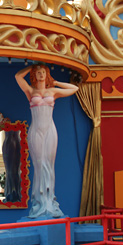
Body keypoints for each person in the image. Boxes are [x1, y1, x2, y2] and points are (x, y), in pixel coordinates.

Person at [15, 64, 79, 219]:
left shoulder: (53, 91)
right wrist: (31, 67)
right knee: (39, 164)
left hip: (50, 130)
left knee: (49, 165)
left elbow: (74, 89)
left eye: (43, 72)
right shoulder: (31, 91)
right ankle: (39, 203)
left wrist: (55, 82)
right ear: (34, 75)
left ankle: (50, 203)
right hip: (36, 130)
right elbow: (17, 76)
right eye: (38, 72)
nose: (41, 74)